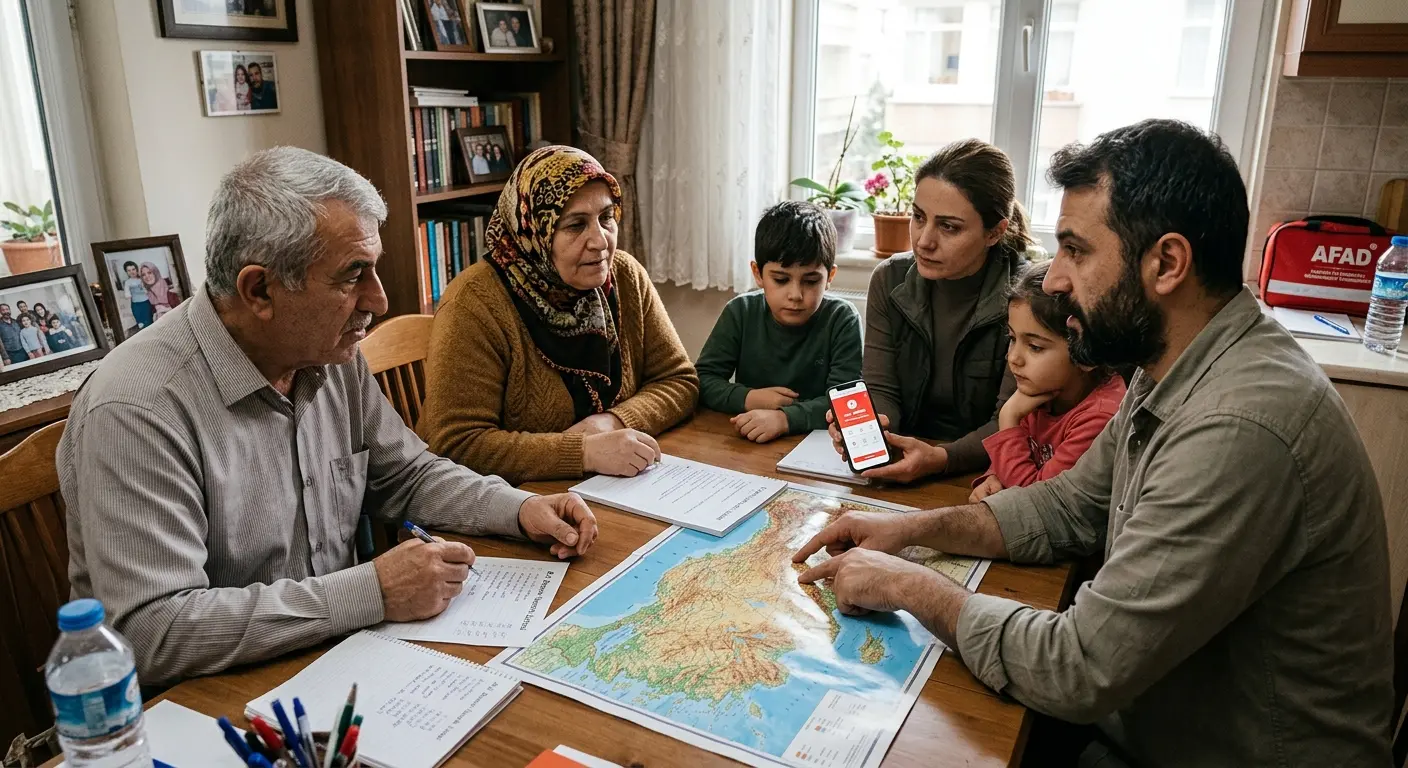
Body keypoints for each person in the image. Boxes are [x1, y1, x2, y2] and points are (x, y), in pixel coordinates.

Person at [794, 120, 1392, 766]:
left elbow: (1077, 669)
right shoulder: (1170, 365)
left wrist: (911, 586)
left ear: (1166, 263)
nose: (1053, 280)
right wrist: (910, 529)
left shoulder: (1239, 426)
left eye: (1076, 251)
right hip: (1157, 724)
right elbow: (1070, 506)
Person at [58, 147, 600, 687]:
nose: (380, 299)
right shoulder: (138, 409)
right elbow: (152, 632)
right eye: (352, 276)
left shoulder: (325, 353)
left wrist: (520, 508)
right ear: (259, 290)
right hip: (214, 699)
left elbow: (407, 474)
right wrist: (370, 591)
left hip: (339, 660)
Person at [417, 145, 698, 485]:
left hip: (609, 489)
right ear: (533, 230)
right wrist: (584, 451)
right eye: (576, 225)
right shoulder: (475, 303)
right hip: (510, 505)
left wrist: (612, 422)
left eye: (606, 218)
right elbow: (455, 444)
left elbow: (679, 381)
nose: (600, 241)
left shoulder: (624, 275)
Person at [830, 139, 1030, 484]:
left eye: (949, 226)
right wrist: (875, 427)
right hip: (906, 460)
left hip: (986, 475)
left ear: (995, 232)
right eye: (918, 217)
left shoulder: (1028, 297)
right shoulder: (889, 279)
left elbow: (1011, 419)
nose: (924, 240)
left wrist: (940, 459)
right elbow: (882, 388)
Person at [696, 200, 862, 444]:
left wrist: (785, 419)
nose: (796, 295)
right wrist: (749, 398)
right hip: (749, 440)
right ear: (758, 274)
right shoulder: (740, 311)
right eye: (781, 279)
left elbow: (847, 401)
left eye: (811, 281)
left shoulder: (842, 319)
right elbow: (702, 380)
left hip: (818, 446)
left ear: (830, 277)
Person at [968, 261, 1125, 503]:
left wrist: (1008, 419)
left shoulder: (1100, 417)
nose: (1014, 358)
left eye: (1035, 347)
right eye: (1012, 338)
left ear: (1087, 352)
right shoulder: (1042, 391)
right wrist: (992, 480)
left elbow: (1037, 503)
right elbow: (1014, 457)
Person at [122, 261, 154, 329]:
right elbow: (127, 293)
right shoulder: (128, 282)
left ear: (136, 269)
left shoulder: (142, 279)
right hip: (136, 305)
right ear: (126, 272)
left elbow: (149, 289)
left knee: (149, 321)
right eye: (129, 270)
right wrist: (128, 294)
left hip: (146, 303)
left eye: (133, 269)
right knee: (140, 323)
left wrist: (145, 287)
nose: (132, 272)